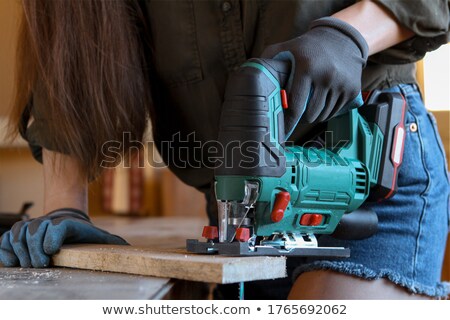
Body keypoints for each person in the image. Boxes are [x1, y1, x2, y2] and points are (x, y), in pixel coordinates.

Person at [2, 0, 449, 299]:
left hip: (366, 169)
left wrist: (350, 35)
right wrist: (65, 210)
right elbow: (71, 46)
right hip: (242, 215)